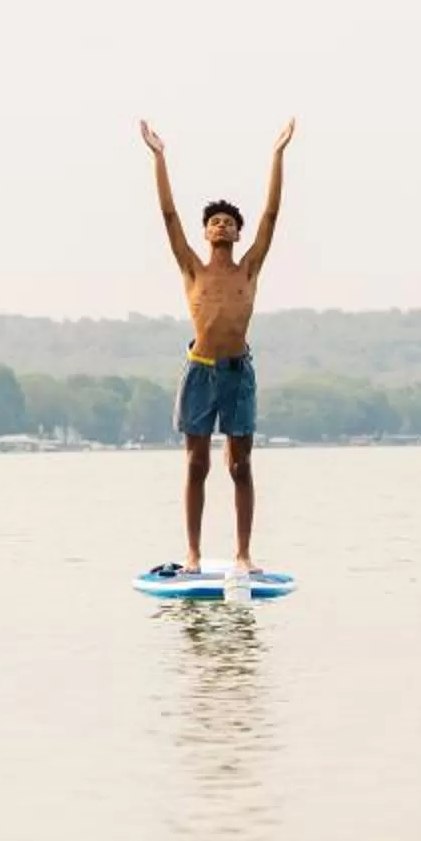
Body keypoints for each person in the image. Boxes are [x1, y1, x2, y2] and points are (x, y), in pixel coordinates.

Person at [142, 117, 294, 573]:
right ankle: (192, 553)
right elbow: (169, 217)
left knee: (240, 466)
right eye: (214, 221)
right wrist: (159, 156)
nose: (221, 225)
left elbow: (271, 216)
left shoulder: (249, 269)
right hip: (200, 370)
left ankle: (243, 554)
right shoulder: (193, 269)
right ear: (206, 232)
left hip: (237, 373)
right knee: (196, 463)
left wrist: (277, 154)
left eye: (228, 222)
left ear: (237, 234)